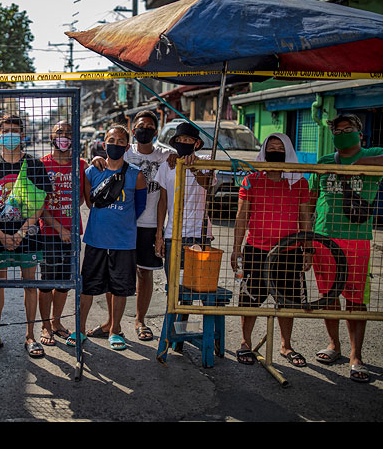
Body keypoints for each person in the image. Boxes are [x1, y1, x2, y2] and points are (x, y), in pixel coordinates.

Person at [309, 114, 383, 383]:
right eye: (338, 131)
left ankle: (356, 355)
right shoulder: (325, 162)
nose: (342, 134)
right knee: (329, 295)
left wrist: (362, 162)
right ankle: (333, 345)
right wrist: (308, 239)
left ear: (360, 133)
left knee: (355, 300)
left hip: (357, 240)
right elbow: (311, 198)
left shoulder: (374, 153)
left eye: (348, 129)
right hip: (323, 237)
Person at [87, 110, 169, 341]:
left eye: (150, 126)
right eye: (141, 126)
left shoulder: (164, 155)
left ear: (156, 129)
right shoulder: (125, 149)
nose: (145, 130)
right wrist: (96, 159)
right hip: (123, 225)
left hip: (150, 223)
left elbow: (183, 161)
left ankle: (140, 320)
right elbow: (105, 164)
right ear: (133, 132)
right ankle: (113, 325)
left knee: (144, 273)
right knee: (117, 274)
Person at [231, 133, 312, 366]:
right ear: (264, 152)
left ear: (287, 152)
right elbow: (242, 216)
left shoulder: (299, 182)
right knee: (250, 299)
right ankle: (245, 343)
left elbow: (305, 217)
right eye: (271, 147)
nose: (275, 151)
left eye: (280, 147)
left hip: (289, 251)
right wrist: (237, 248)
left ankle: (286, 346)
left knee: (288, 300)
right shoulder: (252, 180)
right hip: (257, 249)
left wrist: (308, 250)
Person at [68, 123, 147, 351]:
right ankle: (80, 329)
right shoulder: (92, 172)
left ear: (127, 146)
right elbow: (91, 203)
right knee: (88, 287)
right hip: (96, 239)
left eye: (120, 142)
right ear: (104, 144)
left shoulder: (136, 175)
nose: (115, 145)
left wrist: (120, 220)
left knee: (119, 288)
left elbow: (139, 207)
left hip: (124, 242)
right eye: (111, 141)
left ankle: (115, 330)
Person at [0, 115, 53, 358]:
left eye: (15, 131)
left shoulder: (34, 165)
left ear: (23, 136)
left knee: (30, 285)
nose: (10, 135)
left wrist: (21, 232)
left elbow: (41, 204)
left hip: (29, 237)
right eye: (5, 131)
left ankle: (30, 336)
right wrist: (0, 234)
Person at [38, 121, 89, 346]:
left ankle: (56, 322)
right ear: (52, 135)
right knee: (47, 282)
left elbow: (84, 197)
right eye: (60, 132)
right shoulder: (42, 165)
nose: (64, 137)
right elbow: (38, 204)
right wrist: (59, 228)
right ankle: (44, 326)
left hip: (72, 231)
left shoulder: (80, 164)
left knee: (64, 282)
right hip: (48, 232)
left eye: (69, 133)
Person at [154, 122, 213, 275]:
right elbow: (163, 202)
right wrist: (159, 234)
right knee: (174, 285)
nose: (183, 143)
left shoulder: (206, 161)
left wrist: (194, 169)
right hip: (173, 234)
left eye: (188, 140)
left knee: (197, 283)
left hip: (200, 233)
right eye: (180, 140)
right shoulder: (168, 166)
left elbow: (207, 184)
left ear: (197, 143)